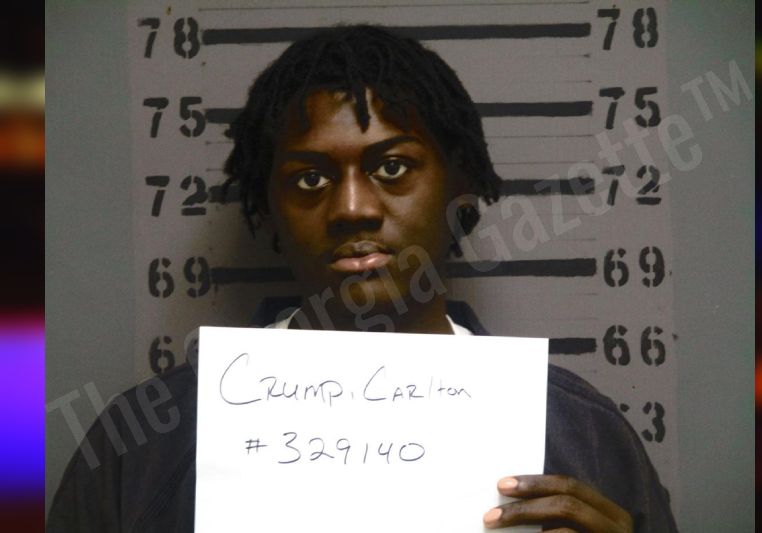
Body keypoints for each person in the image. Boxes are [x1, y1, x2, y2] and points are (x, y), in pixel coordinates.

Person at [48, 24, 678, 532]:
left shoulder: (586, 437)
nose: (352, 207)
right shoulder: (141, 447)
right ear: (267, 208)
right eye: (309, 178)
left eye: (393, 166)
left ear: (460, 185)